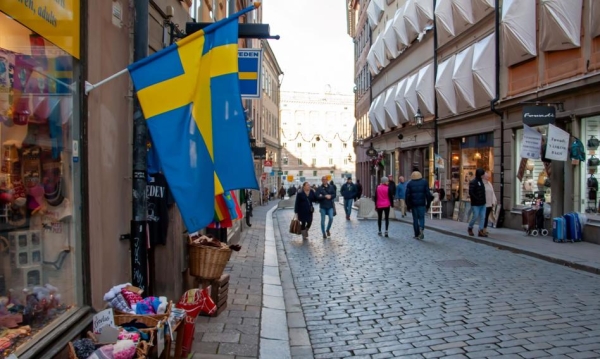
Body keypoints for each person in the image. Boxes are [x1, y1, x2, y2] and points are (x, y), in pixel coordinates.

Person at [406, 170, 433, 240]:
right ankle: (421, 228)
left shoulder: (409, 183)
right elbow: (428, 194)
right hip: (422, 204)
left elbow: (407, 196)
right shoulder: (424, 182)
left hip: (414, 204)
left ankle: (416, 234)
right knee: (421, 217)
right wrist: (428, 204)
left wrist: (408, 205)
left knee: (415, 219)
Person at [468, 168, 488, 237]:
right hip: (476, 204)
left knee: (483, 217)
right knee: (475, 216)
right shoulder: (473, 182)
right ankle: (470, 227)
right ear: (480, 175)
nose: (483, 175)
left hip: (482, 203)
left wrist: (484, 200)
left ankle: (480, 230)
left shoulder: (481, 182)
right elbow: (471, 192)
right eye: (482, 174)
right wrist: (476, 199)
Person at [483, 171, 497, 235]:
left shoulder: (489, 183)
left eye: (488, 176)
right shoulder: (482, 184)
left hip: (489, 203)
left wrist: (494, 201)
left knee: (487, 217)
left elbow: (492, 192)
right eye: (487, 176)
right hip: (484, 204)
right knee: (484, 217)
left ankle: (484, 229)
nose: (488, 176)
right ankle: (482, 230)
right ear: (483, 176)